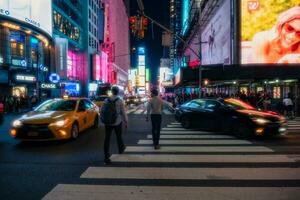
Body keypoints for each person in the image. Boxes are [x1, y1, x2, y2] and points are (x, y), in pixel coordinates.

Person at [101, 86, 128, 165]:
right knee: (118, 136)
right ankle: (120, 149)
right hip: (117, 122)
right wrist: (126, 121)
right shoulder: (120, 100)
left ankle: (106, 157)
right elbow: (123, 112)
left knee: (107, 139)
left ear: (112, 92)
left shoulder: (106, 100)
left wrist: (103, 119)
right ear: (118, 92)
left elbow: (102, 110)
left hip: (108, 122)